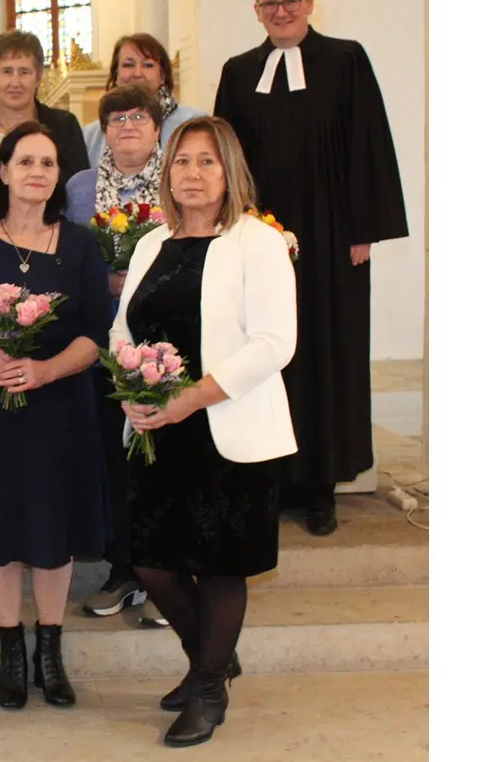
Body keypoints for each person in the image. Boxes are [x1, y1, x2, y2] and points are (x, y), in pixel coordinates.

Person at [110, 117, 297, 747]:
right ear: (168, 173)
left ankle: (208, 687)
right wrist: (134, 394)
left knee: (220, 567)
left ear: (230, 173)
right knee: (152, 563)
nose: (192, 174)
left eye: (207, 163)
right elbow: (123, 331)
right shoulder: (150, 242)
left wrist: (192, 397)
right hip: (158, 428)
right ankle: (213, 659)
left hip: (227, 425)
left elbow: (276, 342)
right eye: (182, 162)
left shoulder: (256, 242)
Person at [212, 0, 409, 536]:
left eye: (290, 1)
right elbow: (228, 158)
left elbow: (369, 143)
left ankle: (320, 485)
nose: (281, 12)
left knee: (325, 353)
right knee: (263, 353)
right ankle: (273, 480)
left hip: (330, 241)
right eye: (269, 4)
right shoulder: (237, 69)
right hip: (260, 240)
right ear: (256, 10)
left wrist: (362, 231)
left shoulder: (346, 60)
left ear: (311, 1)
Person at [0, 120, 111, 711]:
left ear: (58, 176)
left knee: (53, 531)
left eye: (48, 163)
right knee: (0, 531)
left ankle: (50, 649)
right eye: (25, 161)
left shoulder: (81, 243)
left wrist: (46, 370)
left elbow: (95, 333)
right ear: (5, 171)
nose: (37, 171)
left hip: (60, 405)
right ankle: (11, 650)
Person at [64, 83, 171, 628]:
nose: (127, 126)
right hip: (101, 345)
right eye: (116, 118)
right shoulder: (80, 187)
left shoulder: (180, 176)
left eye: (138, 117)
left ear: (157, 126)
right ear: (103, 128)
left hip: (166, 345)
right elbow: (66, 254)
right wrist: (102, 279)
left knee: (161, 462)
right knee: (112, 459)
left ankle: (165, 575)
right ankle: (123, 568)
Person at [0, 30, 90, 228]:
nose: (15, 82)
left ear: (39, 76)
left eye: (24, 72)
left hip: (54, 242)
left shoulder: (64, 127)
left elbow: (79, 195)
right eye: (7, 71)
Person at [79, 33, 205, 165]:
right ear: (116, 75)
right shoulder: (89, 136)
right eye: (128, 65)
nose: (137, 73)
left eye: (148, 65)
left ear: (162, 76)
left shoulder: (192, 122)